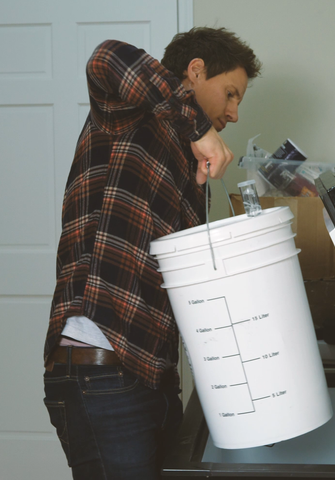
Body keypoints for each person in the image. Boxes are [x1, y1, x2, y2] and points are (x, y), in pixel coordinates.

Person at [43, 27, 261, 480]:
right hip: (101, 369)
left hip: (154, 377)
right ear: (196, 71)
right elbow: (107, 57)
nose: (235, 113)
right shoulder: (129, 114)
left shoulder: (188, 164)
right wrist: (200, 129)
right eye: (230, 94)